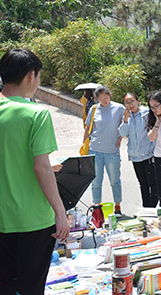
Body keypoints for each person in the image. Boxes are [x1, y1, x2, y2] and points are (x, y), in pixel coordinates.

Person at [0, 48, 69, 293]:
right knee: (31, 288)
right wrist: (60, 212)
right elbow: (41, 167)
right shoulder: (36, 113)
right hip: (33, 221)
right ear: (31, 75)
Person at [84, 86, 125, 214]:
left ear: (109, 95)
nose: (104, 101)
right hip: (95, 150)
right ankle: (97, 209)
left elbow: (126, 124)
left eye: (106, 97)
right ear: (97, 99)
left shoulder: (119, 108)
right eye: (101, 99)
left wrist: (120, 137)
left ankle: (117, 206)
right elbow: (87, 128)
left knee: (115, 180)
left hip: (112, 151)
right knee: (96, 182)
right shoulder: (94, 109)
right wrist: (84, 145)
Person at [118, 92, 158, 208]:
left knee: (152, 183)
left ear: (137, 101)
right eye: (127, 103)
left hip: (148, 153)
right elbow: (122, 133)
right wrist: (125, 120)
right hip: (135, 156)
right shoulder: (127, 117)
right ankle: (146, 208)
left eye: (132, 101)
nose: (130, 104)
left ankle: (153, 208)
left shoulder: (146, 113)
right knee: (143, 184)